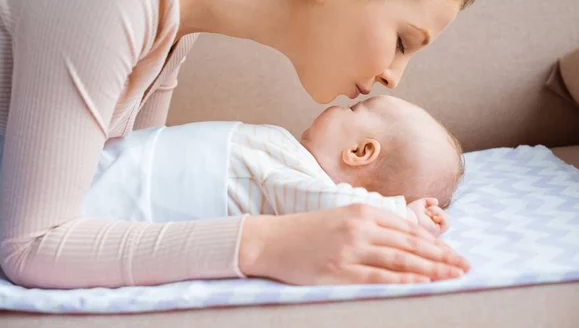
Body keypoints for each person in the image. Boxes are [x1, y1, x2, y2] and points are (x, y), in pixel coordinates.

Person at [0, 0, 475, 289]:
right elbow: (32, 244)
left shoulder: (179, 8)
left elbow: (126, 182)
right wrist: (267, 245)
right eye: (401, 41)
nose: (394, 77)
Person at [84, 95, 464, 238]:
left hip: (114, 192)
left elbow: (343, 210)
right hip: (120, 159)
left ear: (360, 151)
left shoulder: (301, 185)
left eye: (354, 110)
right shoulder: (290, 159)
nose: (339, 105)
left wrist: (404, 216)